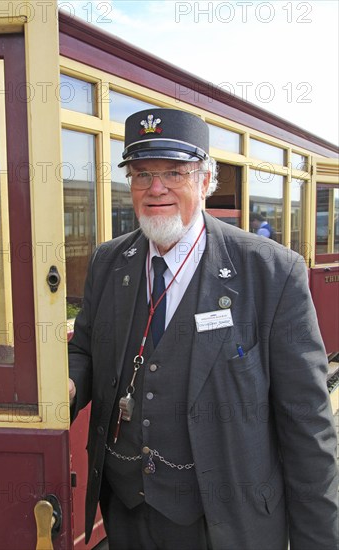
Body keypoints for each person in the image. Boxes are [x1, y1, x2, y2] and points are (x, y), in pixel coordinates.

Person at [68, 108, 338, 550]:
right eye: (141, 174)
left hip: (226, 523)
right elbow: (83, 350)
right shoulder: (108, 261)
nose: (156, 189)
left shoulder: (271, 272)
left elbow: (307, 425)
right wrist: (69, 383)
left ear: (205, 180)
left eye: (174, 172)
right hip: (127, 512)